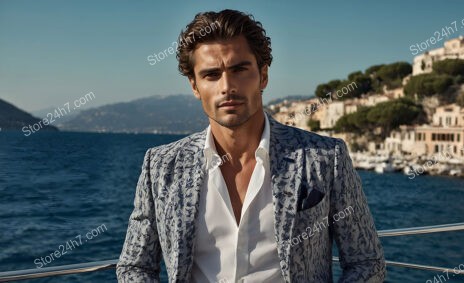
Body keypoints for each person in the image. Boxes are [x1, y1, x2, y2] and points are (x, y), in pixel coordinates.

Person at [117, 9, 385, 283]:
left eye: (239, 70)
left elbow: (366, 262)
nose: (227, 86)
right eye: (211, 75)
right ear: (195, 86)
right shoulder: (161, 166)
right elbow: (134, 266)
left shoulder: (326, 158)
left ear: (263, 75)